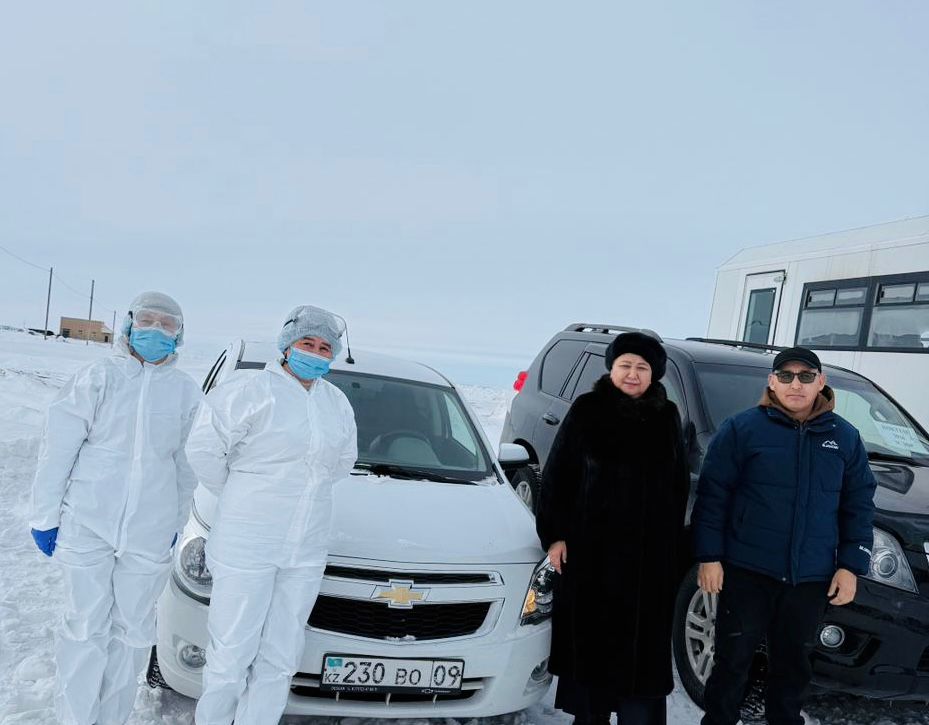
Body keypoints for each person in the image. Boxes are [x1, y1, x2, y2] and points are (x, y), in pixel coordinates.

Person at [29, 291, 202, 725]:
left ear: (179, 334)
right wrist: (45, 516)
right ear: (128, 324)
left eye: (167, 324)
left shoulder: (185, 392)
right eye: (148, 320)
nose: (156, 330)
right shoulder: (98, 377)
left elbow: (186, 467)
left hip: (149, 531)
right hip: (88, 522)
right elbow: (58, 449)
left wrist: (176, 522)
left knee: (132, 632)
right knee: (84, 628)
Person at [188, 304, 358, 725]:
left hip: (305, 550)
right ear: (286, 346)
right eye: (307, 343)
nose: (315, 353)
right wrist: (244, 496)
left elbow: (342, 462)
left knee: (280, 657)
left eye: (324, 347)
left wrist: (298, 495)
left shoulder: (335, 402)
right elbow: (205, 450)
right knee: (231, 654)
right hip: (246, 546)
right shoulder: (247, 390)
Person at [692, 346, 877, 725]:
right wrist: (709, 557)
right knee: (732, 662)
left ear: (820, 382)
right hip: (747, 572)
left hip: (809, 579)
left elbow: (858, 504)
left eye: (806, 376)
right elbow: (713, 497)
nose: (796, 384)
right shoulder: (741, 430)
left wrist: (850, 566)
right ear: (772, 381)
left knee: (793, 669)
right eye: (787, 376)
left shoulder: (844, 437)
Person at [535, 332, 690, 725]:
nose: (632, 374)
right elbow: (557, 476)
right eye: (625, 365)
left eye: (642, 367)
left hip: (647, 562)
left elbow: (677, 486)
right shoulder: (587, 410)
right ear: (612, 367)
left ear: (654, 374)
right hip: (592, 555)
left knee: (641, 656)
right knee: (593, 650)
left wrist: (671, 549)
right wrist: (555, 536)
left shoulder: (667, 417)